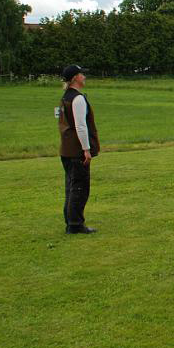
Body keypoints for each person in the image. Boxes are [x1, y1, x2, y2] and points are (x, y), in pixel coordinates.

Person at [58, 64, 100, 234]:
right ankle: (75, 224)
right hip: (77, 150)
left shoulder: (65, 97)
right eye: (81, 74)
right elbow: (81, 126)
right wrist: (86, 149)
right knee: (80, 187)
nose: (84, 76)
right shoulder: (78, 99)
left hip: (66, 149)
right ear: (75, 78)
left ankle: (71, 221)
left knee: (71, 186)